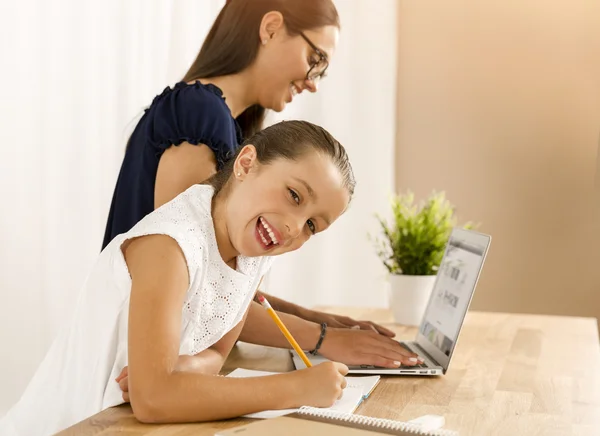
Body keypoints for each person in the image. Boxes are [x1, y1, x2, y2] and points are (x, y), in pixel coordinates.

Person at [102, 0, 421, 368]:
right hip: (129, 365)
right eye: (315, 59)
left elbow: (221, 289)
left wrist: (320, 322)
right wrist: (324, 339)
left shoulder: (220, 122)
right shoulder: (200, 115)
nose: (312, 83)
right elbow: (195, 291)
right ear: (270, 28)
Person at [1, 121, 359, 435]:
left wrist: (186, 371)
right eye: (294, 195)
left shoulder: (252, 253)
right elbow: (153, 399)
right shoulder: (170, 246)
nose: (294, 227)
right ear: (246, 164)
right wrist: (294, 389)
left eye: (312, 225)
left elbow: (218, 352)